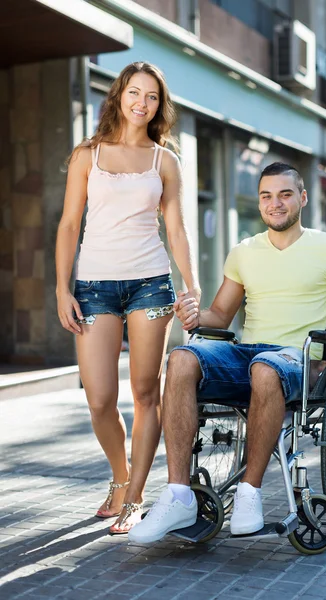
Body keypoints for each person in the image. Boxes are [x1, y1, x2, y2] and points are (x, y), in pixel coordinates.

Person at [128, 162, 326, 544]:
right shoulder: (244, 252)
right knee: (181, 358)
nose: (275, 203)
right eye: (266, 196)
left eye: (284, 194)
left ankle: (250, 493)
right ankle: (179, 495)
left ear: (303, 198)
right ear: (258, 202)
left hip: (300, 358)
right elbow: (220, 316)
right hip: (248, 354)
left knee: (266, 367)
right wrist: (194, 313)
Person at [55, 62, 200, 535]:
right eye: (135, 92)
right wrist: (62, 287)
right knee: (99, 398)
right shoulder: (88, 155)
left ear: (160, 105)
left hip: (150, 284)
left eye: (152, 96)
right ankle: (120, 477)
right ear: (119, 95)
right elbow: (69, 225)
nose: (142, 102)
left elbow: (175, 229)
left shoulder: (165, 161)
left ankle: (135, 497)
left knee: (144, 393)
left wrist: (190, 284)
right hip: (93, 286)